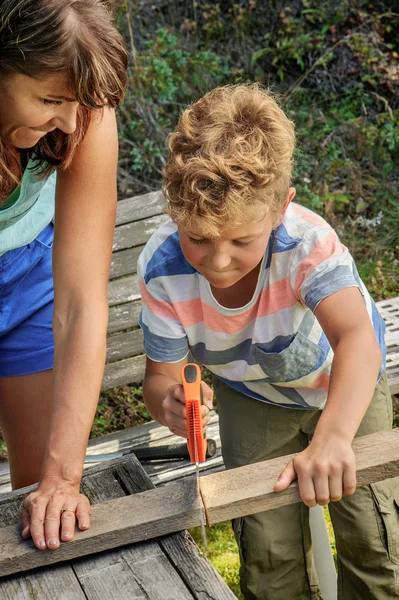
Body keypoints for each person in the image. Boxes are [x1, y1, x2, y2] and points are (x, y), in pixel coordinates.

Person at [137, 83, 399, 600]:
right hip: (251, 395)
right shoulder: (162, 270)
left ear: (281, 208)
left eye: (241, 240)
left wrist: (333, 436)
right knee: (267, 549)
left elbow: (358, 341)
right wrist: (168, 402)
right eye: (198, 238)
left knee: (372, 536)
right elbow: (160, 378)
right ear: (174, 214)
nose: (218, 260)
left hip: (344, 389)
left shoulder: (306, 246)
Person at [0, 0, 127, 551]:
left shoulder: (86, 114)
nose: (70, 123)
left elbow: (80, 304)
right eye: (51, 100)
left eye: (78, 104)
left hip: (30, 277)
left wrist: (63, 480)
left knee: (42, 509)